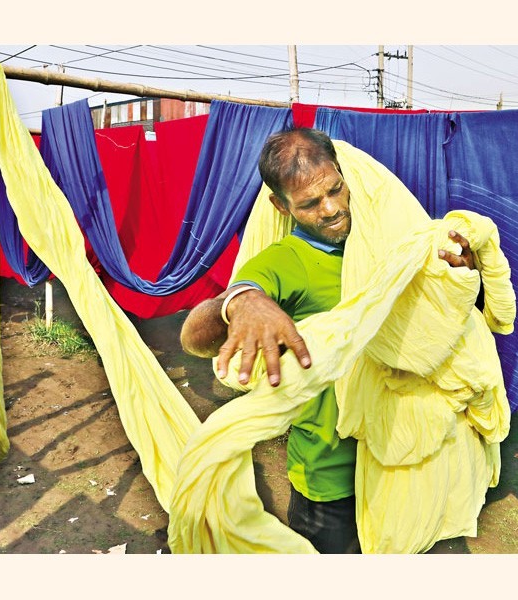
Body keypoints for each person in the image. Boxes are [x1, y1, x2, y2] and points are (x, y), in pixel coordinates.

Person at [179, 128, 476, 553]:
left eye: (335, 190)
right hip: (329, 477)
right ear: (280, 205)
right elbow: (193, 337)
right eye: (310, 203)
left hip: (402, 461)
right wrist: (240, 301)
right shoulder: (286, 261)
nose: (333, 209)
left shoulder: (387, 243)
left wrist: (457, 279)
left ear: (344, 173)